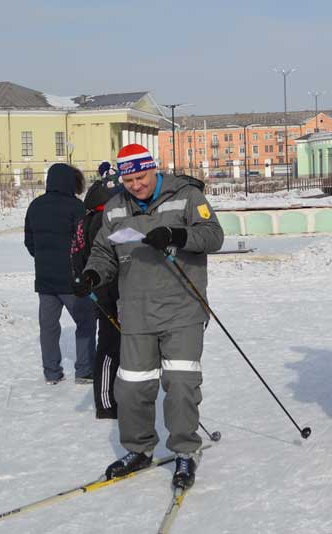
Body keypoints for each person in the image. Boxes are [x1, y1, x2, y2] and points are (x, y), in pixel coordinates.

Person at [74, 143, 224, 490]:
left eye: (141, 177)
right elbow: (103, 252)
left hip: (182, 308)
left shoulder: (186, 197)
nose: (136, 185)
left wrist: (176, 235)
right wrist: (93, 274)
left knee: (181, 385)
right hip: (137, 311)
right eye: (129, 180)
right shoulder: (114, 209)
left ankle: (185, 450)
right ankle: (139, 448)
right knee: (132, 389)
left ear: (153, 170)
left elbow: (213, 236)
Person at [25, 163, 96, 385]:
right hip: (72, 280)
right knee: (85, 323)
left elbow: (29, 242)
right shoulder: (76, 207)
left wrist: (44, 259)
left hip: (45, 280)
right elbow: (84, 242)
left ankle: (52, 372)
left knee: (48, 327)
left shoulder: (35, 206)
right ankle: (84, 371)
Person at [70, 167, 124, 419]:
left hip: (104, 289)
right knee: (110, 345)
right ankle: (105, 401)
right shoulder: (100, 220)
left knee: (119, 345)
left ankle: (118, 395)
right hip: (106, 290)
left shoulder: (87, 217)